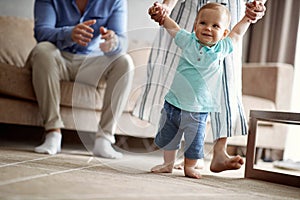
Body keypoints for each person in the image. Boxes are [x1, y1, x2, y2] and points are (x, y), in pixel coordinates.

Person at [134, 0, 266, 172]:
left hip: (198, 110)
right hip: (173, 103)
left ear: (224, 32)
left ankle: (190, 167)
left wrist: (248, 18)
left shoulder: (222, 48)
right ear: (195, 26)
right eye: (203, 23)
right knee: (169, 137)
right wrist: (163, 14)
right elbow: (173, 28)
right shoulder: (188, 41)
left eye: (215, 26)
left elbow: (237, 33)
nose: (208, 28)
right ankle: (168, 165)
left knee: (194, 141)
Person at [26, 0, 134, 159]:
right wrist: (68, 34)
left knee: (125, 62)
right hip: (57, 58)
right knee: (42, 50)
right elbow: (42, 32)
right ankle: (53, 133)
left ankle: (104, 139)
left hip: (91, 63)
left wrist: (114, 42)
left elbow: (122, 40)